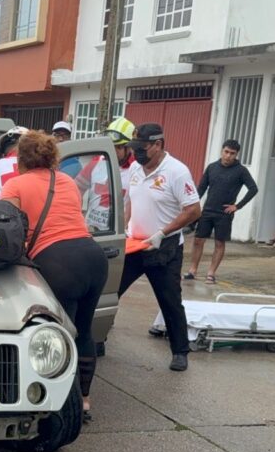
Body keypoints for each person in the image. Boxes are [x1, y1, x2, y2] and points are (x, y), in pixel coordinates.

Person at [1, 131, 107, 421]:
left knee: (55, 335)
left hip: (57, 260)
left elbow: (9, 231)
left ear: (21, 158)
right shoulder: (68, 183)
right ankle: (84, 401)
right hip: (93, 257)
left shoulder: (15, 185)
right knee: (84, 331)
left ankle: (58, 404)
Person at [119, 124, 202, 372]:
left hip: (163, 247)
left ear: (158, 144)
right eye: (136, 148)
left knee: (169, 300)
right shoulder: (135, 167)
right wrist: (124, 229)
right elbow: (130, 203)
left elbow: (194, 210)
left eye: (142, 148)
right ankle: (97, 340)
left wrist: (162, 233)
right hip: (134, 245)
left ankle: (180, 351)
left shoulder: (176, 172)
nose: (138, 153)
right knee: (111, 293)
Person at [185, 139, 258, 284]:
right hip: (207, 210)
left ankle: (211, 273)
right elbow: (201, 189)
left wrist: (237, 206)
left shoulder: (241, 171)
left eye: (232, 153)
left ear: (237, 154)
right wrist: (192, 205)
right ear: (222, 151)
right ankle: (192, 270)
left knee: (219, 243)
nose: (228, 156)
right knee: (198, 240)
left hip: (224, 213)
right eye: (226, 152)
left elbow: (253, 189)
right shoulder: (212, 167)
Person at [73, 117, 136, 231]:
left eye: (119, 147)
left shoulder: (136, 169)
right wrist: (76, 217)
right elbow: (76, 190)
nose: (113, 151)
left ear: (129, 148)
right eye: (111, 146)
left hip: (118, 233)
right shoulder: (96, 162)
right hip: (91, 230)